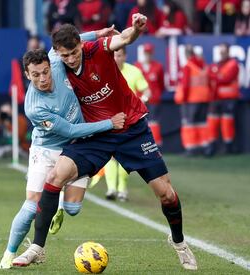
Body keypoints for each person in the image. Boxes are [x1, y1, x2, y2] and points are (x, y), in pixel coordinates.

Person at [13, 13, 198, 271]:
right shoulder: (56, 63)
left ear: (80, 45)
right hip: (96, 134)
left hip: (131, 128)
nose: (70, 59)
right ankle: (37, 247)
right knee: (55, 177)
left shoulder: (95, 50)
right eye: (64, 55)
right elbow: (67, 123)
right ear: (57, 54)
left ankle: (178, 242)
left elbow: (122, 39)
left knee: (166, 194)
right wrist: (108, 123)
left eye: (74, 52)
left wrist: (135, 29)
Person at [0, 29, 126, 269]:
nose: (43, 78)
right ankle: (9, 252)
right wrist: (109, 124)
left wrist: (101, 33)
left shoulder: (57, 60)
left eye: (45, 72)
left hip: (76, 147)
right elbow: (68, 130)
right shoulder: (34, 107)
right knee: (31, 206)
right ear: (27, 75)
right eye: (36, 75)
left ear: (51, 64)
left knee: (73, 209)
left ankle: (58, 199)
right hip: (46, 149)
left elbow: (73, 41)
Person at [102, 46, 150, 201]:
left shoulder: (134, 71)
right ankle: (111, 189)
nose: (117, 58)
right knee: (109, 155)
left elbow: (146, 90)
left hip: (130, 120)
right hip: (110, 119)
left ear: (125, 56)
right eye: (115, 55)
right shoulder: (104, 72)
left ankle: (122, 189)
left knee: (124, 155)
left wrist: (143, 99)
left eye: (120, 55)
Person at [175, 45, 211, 156]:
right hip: (204, 99)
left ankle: (191, 148)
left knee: (188, 124)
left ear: (186, 54)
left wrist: (184, 99)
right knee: (202, 123)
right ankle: (205, 147)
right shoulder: (204, 66)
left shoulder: (188, 66)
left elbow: (185, 85)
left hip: (191, 100)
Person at [207, 43, 240, 156]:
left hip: (228, 98)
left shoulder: (233, 64)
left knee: (227, 122)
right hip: (216, 98)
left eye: (224, 51)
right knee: (213, 121)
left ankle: (228, 146)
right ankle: (212, 145)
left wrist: (214, 76)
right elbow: (210, 75)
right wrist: (215, 76)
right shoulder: (217, 65)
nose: (222, 53)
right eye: (220, 51)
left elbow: (226, 78)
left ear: (228, 51)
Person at [135, 43, 165, 145]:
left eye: (149, 53)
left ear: (152, 54)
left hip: (154, 99)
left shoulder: (158, 66)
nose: (148, 55)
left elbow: (161, 83)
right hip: (140, 99)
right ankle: (142, 143)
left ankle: (155, 143)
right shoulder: (137, 66)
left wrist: (157, 93)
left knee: (154, 121)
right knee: (140, 122)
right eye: (146, 53)